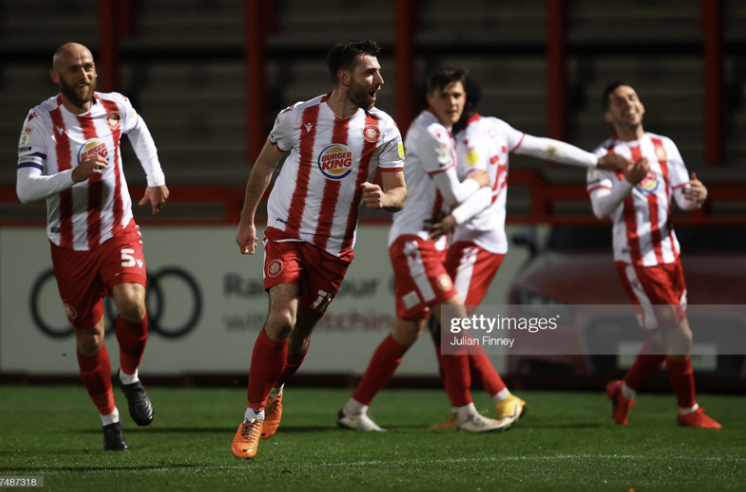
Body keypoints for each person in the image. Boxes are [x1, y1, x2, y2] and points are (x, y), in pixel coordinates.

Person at [232, 39, 407, 459]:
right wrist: (246, 220)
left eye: (380, 72)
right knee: (282, 319)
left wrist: (386, 200)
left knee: (300, 334)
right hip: (287, 231)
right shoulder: (298, 117)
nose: (380, 80)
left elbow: (400, 191)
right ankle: (252, 418)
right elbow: (265, 165)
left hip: (335, 247)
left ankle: (276, 389)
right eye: (371, 73)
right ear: (345, 77)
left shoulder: (383, 127)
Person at [427, 77, 631, 429]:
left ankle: (498, 400)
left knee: (450, 322)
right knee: (439, 322)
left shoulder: (467, 139)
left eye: (452, 98)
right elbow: (545, 148)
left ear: (464, 104)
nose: (446, 107)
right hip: (473, 236)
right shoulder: (495, 128)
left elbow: (476, 184)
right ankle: (463, 406)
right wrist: (594, 160)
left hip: (475, 237)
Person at [338, 68, 516, 433]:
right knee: (453, 314)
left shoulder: (440, 132)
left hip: (424, 242)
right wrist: (480, 180)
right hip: (415, 243)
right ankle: (466, 412)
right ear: (430, 97)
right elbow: (453, 194)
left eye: (458, 96)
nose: (452, 102)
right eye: (445, 95)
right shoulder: (433, 133)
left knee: (408, 330)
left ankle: (354, 410)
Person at [16, 43, 168, 451]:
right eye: (72, 70)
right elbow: (25, 188)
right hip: (69, 243)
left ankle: (131, 378)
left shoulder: (115, 105)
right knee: (90, 339)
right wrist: (74, 174)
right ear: (56, 76)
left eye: (88, 68)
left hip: (117, 228)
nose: (82, 76)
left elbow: (139, 130)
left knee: (134, 305)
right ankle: (110, 421)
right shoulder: (41, 120)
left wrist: (154, 177)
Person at [588, 82, 720, 429]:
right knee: (681, 335)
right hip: (637, 259)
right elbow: (601, 208)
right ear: (608, 114)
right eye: (618, 101)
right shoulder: (602, 156)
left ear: (642, 106)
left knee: (666, 336)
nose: (627, 104)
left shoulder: (664, 146)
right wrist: (628, 181)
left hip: (670, 253)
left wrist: (699, 195)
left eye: (631, 98)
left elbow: (683, 199)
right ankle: (687, 410)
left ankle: (624, 390)